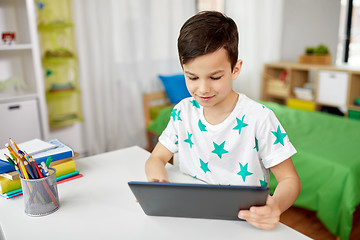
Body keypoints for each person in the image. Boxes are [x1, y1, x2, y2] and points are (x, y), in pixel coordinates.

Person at [145, 11, 301, 230]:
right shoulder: (182, 113)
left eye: (215, 77)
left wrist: (275, 206)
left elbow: (290, 181)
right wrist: (158, 183)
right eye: (192, 77)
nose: (203, 89)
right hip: (190, 219)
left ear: (235, 69)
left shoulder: (260, 118)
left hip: (242, 224)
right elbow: (156, 159)